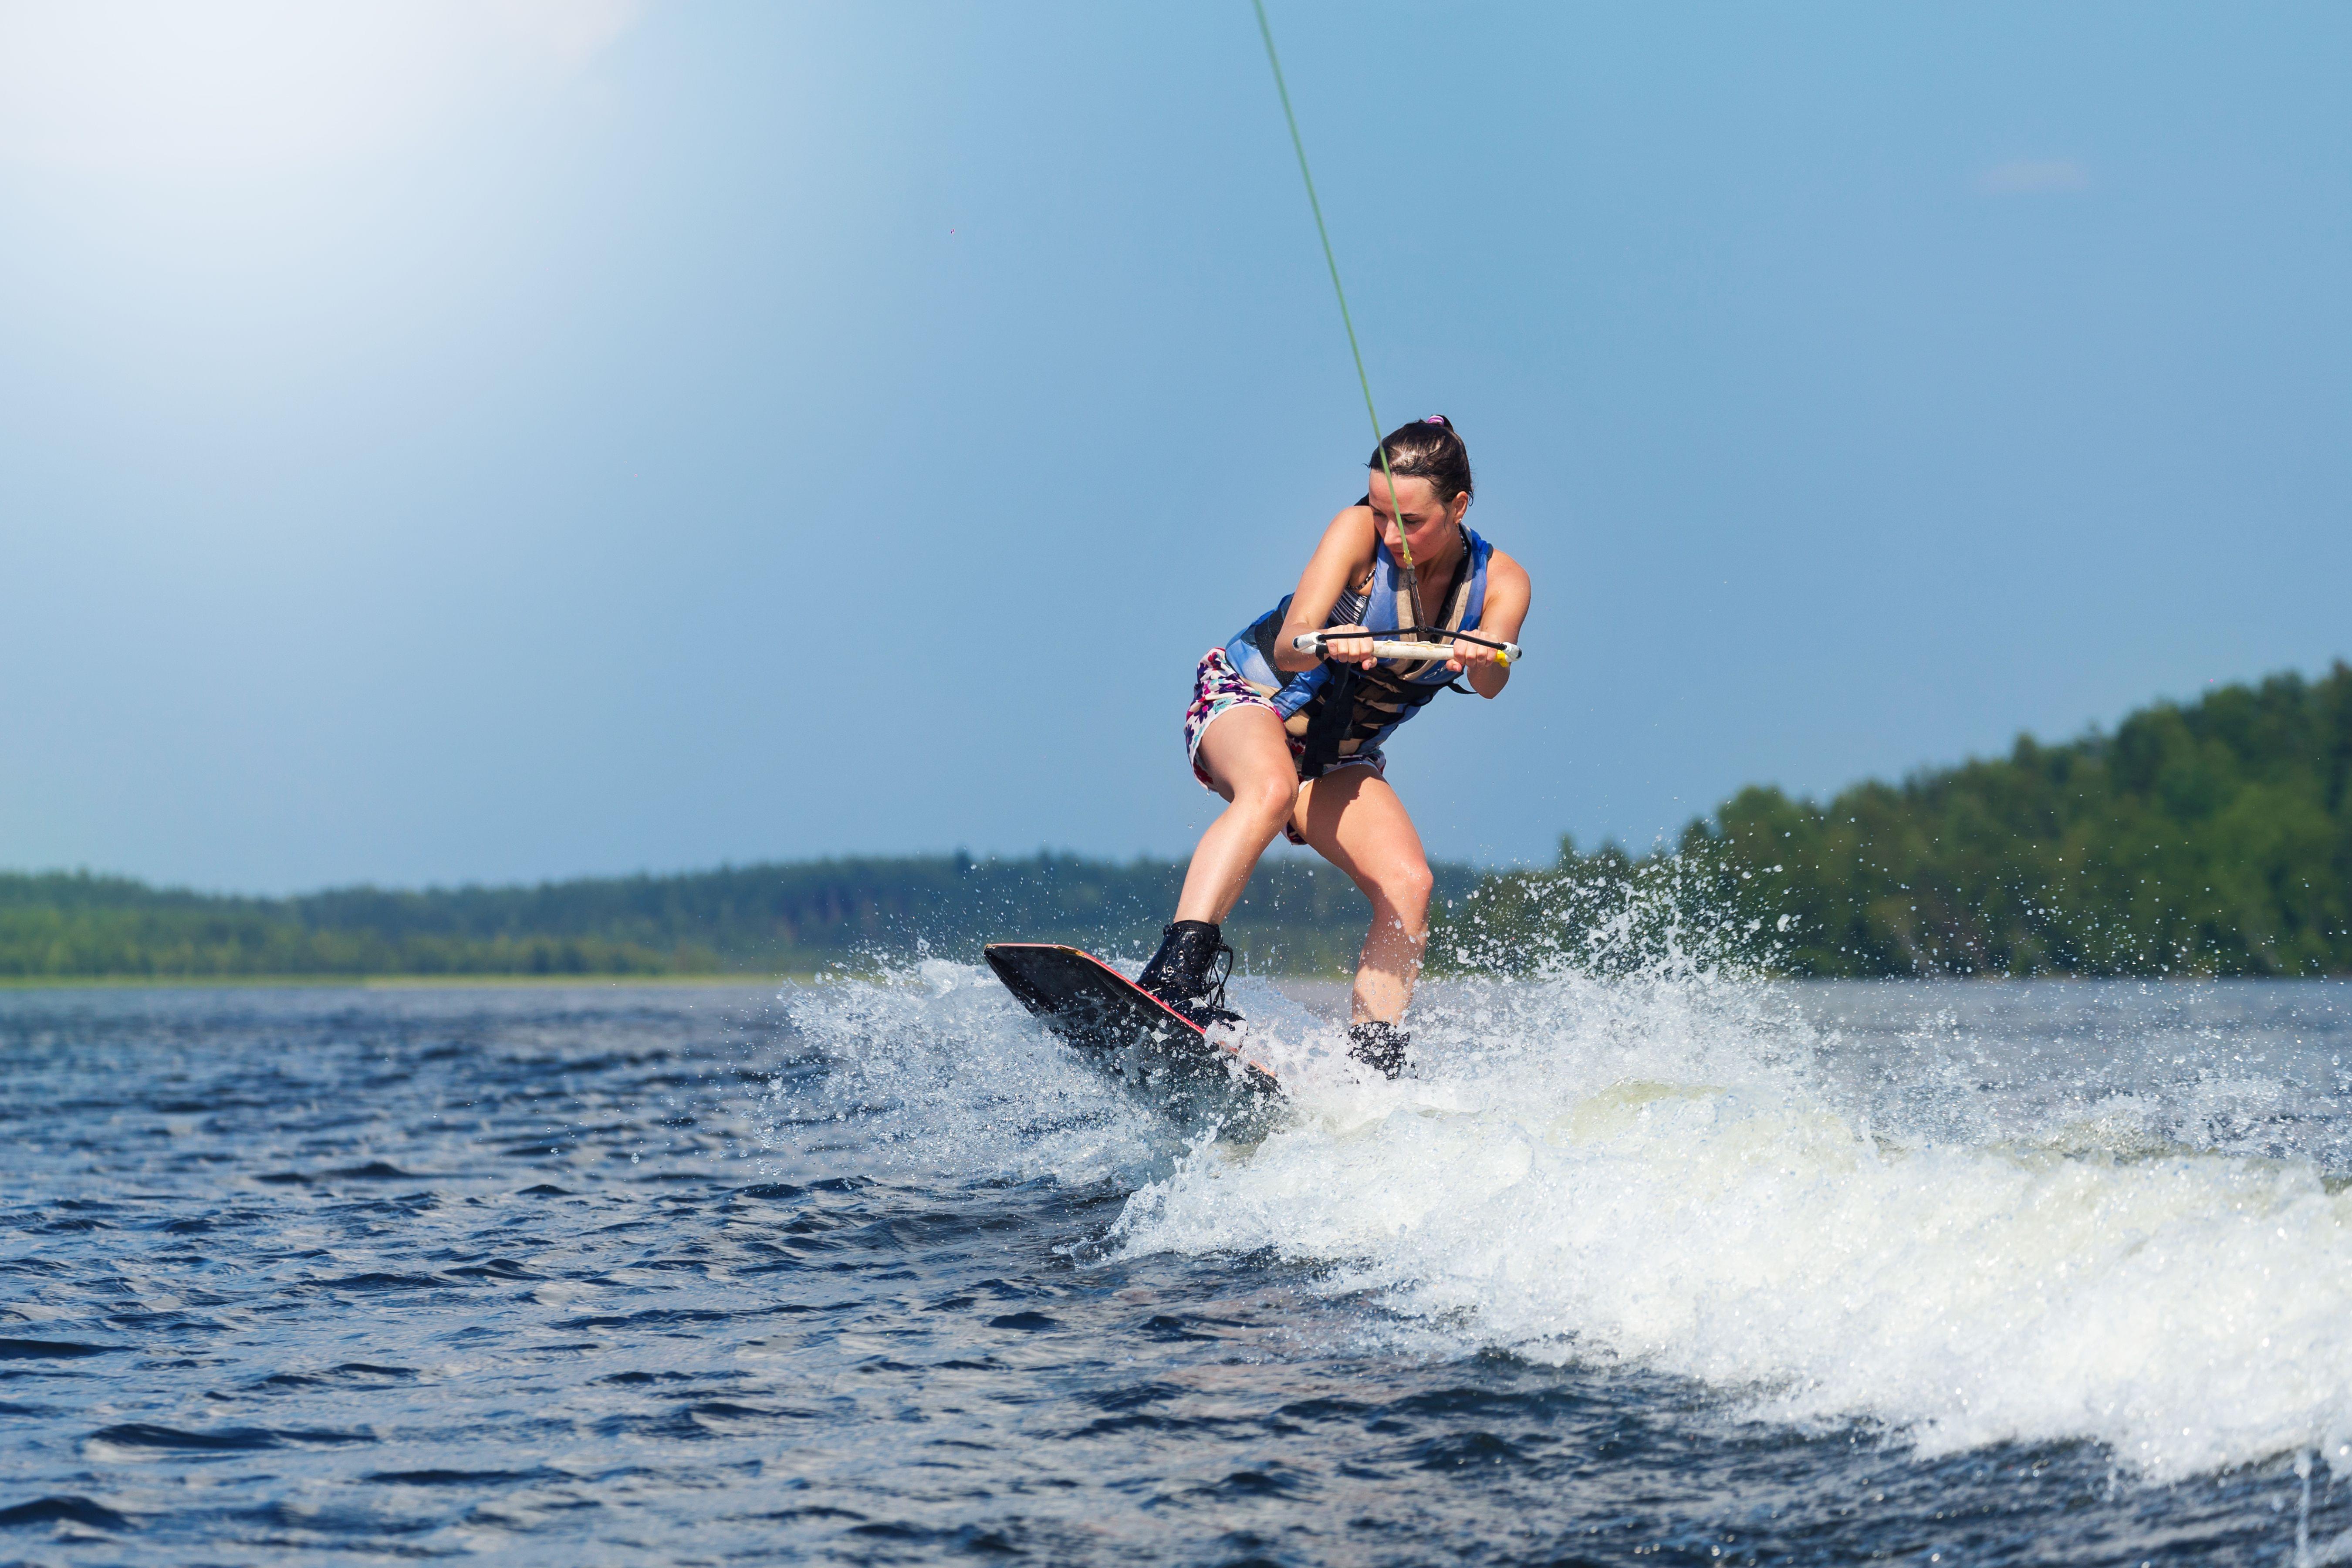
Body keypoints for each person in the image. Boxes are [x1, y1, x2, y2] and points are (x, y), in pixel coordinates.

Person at [1135, 415, 1531, 1078]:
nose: (1391, 535)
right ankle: (1172, 979)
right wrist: (1332, 638)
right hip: (1250, 702)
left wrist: (1478, 653)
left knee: (1410, 883)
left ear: (1459, 507)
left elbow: (1491, 682)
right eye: (1380, 512)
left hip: (1337, 754)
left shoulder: (1504, 583)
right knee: (1269, 790)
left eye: (1410, 520)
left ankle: (1371, 1068)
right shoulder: (1356, 535)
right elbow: (1292, 641)